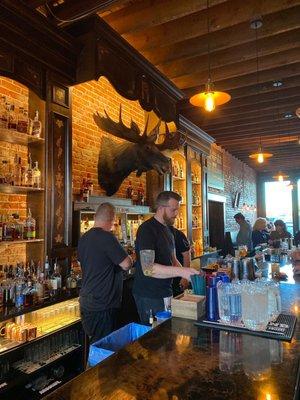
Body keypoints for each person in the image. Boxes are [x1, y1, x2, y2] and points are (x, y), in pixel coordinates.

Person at [133, 191, 199, 324]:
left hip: (166, 290)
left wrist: (190, 277)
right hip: (149, 294)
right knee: (155, 338)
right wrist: (182, 272)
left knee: (168, 334)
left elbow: (173, 260)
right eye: (173, 210)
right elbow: (148, 268)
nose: (176, 214)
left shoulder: (168, 231)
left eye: (177, 210)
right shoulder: (147, 230)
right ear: (161, 208)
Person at [78, 202, 133, 343]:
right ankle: (93, 366)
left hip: (86, 300)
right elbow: (126, 264)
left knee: (96, 343)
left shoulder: (84, 238)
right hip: (102, 302)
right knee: (103, 348)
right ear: (112, 219)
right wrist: (134, 257)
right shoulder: (107, 237)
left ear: (95, 217)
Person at [168, 226, 191, 297]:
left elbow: (186, 255)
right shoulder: (158, 234)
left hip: (178, 277)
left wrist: (184, 277)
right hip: (166, 278)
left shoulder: (178, 234)